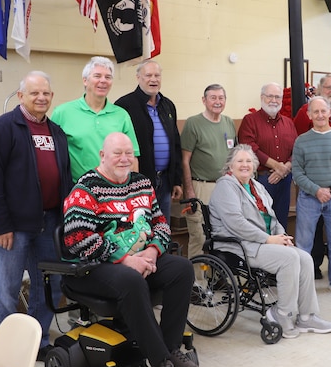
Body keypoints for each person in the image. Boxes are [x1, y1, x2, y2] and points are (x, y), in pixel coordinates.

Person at [62, 133, 198, 367]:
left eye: (129, 153)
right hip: (92, 267)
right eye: (117, 153)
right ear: (102, 156)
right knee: (131, 279)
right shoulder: (86, 188)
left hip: (140, 258)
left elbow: (160, 223)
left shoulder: (141, 183)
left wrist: (151, 251)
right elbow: (75, 237)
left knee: (182, 269)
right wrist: (125, 259)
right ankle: (159, 363)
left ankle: (168, 349)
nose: (124, 159)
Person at [0, 71, 72, 361]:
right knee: (7, 292)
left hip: (50, 223)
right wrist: (1, 224)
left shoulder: (55, 131)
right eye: (34, 93)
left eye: (46, 93)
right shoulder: (3, 128)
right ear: (21, 96)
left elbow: (63, 175)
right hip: (12, 228)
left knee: (50, 285)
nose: (41, 98)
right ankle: (7, 354)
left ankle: (38, 341)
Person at [209, 145, 331, 339]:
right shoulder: (226, 186)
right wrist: (268, 239)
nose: (245, 165)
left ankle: (307, 315)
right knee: (289, 259)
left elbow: (272, 217)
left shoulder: (256, 185)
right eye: (240, 161)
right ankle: (281, 313)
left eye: (249, 161)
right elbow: (236, 223)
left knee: (304, 258)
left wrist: (282, 237)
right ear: (230, 166)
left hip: (262, 242)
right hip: (238, 245)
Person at [292, 97, 331, 297]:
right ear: (309, 115)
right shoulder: (301, 141)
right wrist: (317, 190)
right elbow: (297, 173)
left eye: (323, 111)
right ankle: (303, 282)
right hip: (309, 199)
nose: (319, 115)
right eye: (315, 112)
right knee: (304, 244)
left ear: (329, 113)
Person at [51, 56, 139, 182]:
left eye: (108, 77)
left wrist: (133, 189)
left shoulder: (122, 115)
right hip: (78, 189)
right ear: (85, 80)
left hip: (115, 189)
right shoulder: (62, 113)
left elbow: (133, 156)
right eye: (97, 76)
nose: (103, 81)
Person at [115, 60, 183, 222]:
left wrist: (176, 181)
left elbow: (175, 145)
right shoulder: (124, 105)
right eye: (148, 75)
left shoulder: (168, 105)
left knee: (162, 230)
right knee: (140, 230)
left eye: (157, 75)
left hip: (165, 182)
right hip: (138, 183)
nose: (153, 79)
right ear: (138, 77)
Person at [180, 84, 236, 258]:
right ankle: (197, 282)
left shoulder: (229, 122)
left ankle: (216, 279)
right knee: (199, 235)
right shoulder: (193, 123)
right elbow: (184, 160)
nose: (217, 102)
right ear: (204, 100)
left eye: (221, 98)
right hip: (201, 187)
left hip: (225, 187)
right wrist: (189, 191)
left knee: (222, 235)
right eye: (213, 98)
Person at [237, 83, 297, 228]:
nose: (274, 100)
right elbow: (250, 148)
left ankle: (280, 250)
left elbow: (297, 149)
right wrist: (277, 166)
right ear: (262, 97)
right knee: (260, 223)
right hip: (261, 179)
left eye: (277, 97)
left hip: (285, 180)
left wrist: (286, 168)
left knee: (281, 222)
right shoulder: (250, 120)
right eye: (270, 96)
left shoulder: (288, 123)